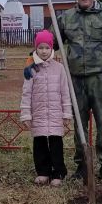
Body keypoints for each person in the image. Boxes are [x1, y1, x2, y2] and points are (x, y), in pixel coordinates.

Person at [52, 0, 102, 180]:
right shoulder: (66, 18)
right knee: (79, 124)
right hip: (75, 79)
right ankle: (82, 164)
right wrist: (34, 55)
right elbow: (50, 41)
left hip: (100, 79)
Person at [20, 30, 72, 187]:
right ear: (36, 49)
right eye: (40, 47)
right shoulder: (31, 69)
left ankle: (58, 172)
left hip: (56, 114)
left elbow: (65, 92)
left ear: (52, 49)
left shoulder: (60, 68)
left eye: (47, 48)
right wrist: (26, 115)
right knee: (40, 143)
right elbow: (26, 93)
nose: (44, 51)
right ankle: (43, 172)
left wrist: (67, 114)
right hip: (39, 114)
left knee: (56, 144)